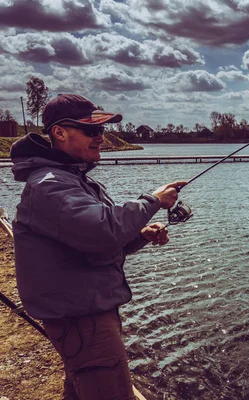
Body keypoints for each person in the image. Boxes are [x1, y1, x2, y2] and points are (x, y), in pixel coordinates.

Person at [10, 93, 187, 399]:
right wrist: (153, 200)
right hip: (82, 319)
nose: (101, 139)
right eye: (91, 131)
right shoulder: (51, 184)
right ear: (59, 133)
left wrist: (139, 235)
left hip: (85, 313)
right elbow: (102, 230)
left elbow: (95, 243)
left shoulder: (72, 180)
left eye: (101, 131)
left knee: (80, 392)